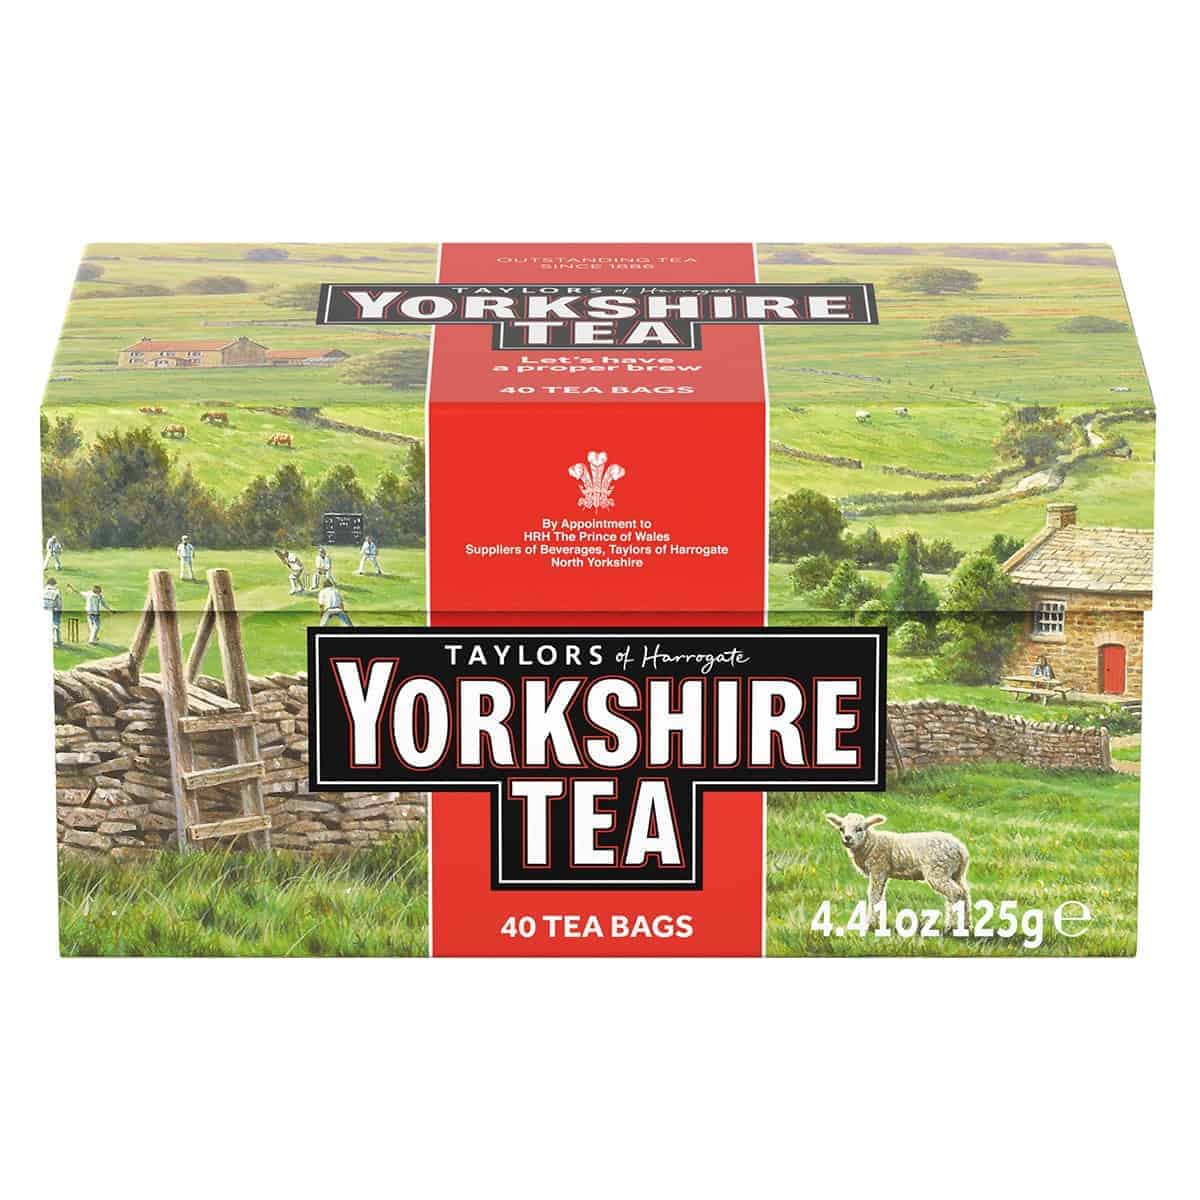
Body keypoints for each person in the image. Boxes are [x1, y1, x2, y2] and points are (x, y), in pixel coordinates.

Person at [43, 577, 63, 646]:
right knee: (56, 625)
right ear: (54, 584)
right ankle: (56, 640)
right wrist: (60, 609)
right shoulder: (56, 591)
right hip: (55, 609)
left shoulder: (43, 590)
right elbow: (59, 602)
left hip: (45, 608)